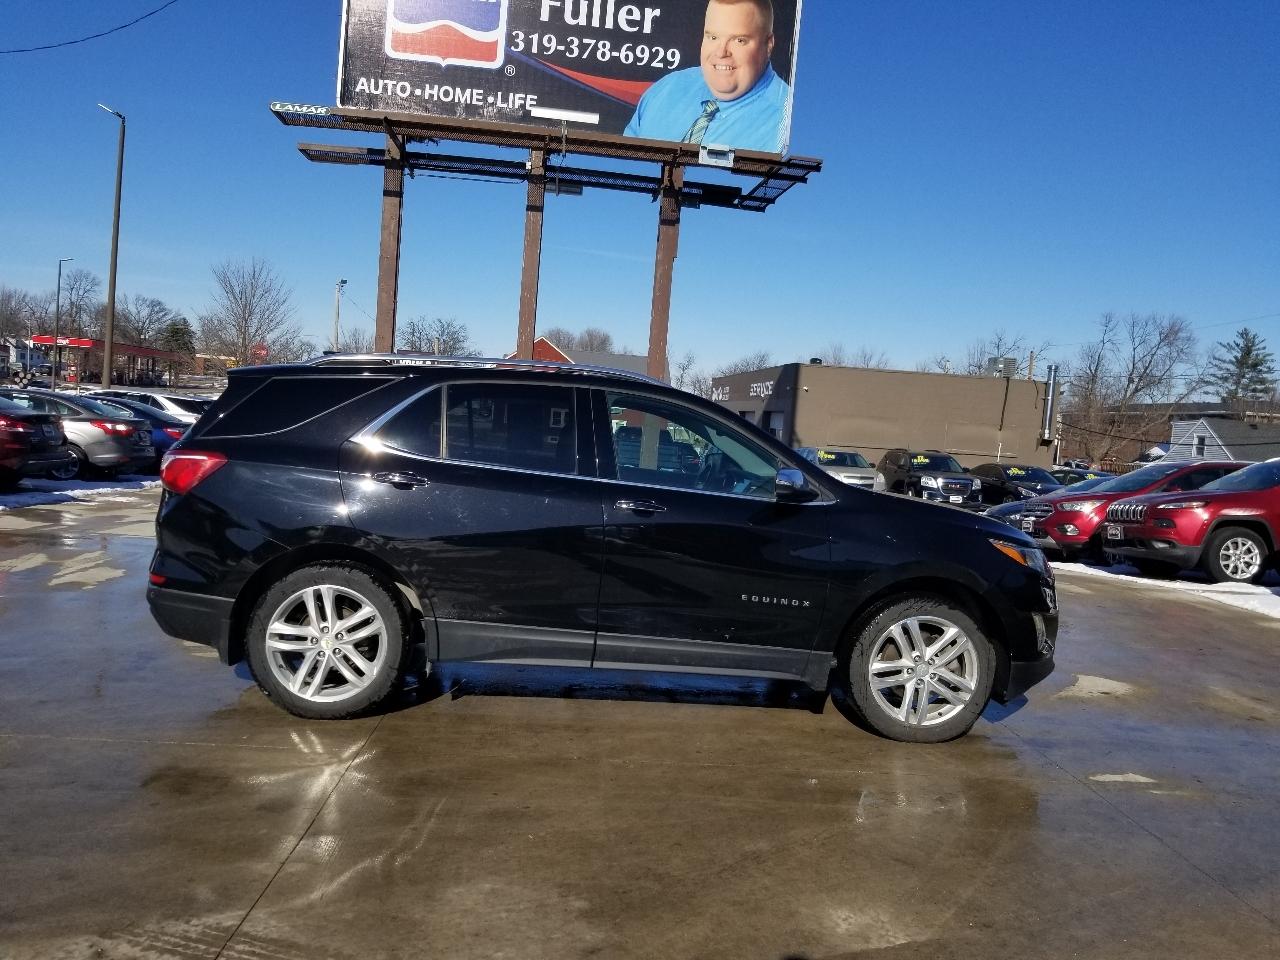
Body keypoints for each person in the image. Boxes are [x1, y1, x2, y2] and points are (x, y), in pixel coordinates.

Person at [623, 0, 792, 154]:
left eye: (739, 40)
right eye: (713, 37)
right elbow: (624, 166)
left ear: (768, 44)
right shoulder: (666, 90)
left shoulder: (788, 125)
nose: (721, 52)